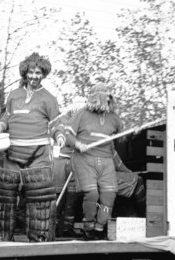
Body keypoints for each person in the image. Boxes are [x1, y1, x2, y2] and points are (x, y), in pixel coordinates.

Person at [0, 52, 62, 242]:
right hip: (12, 153)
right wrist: (0, 126)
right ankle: (3, 236)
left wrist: (60, 135)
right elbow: (7, 116)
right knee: (4, 196)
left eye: (39, 72)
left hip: (37, 154)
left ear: (43, 74)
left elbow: (56, 124)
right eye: (31, 72)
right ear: (25, 72)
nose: (34, 76)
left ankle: (40, 237)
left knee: (40, 199)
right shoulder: (14, 96)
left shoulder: (49, 99)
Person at [54, 83, 123, 240]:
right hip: (84, 159)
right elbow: (67, 134)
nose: (102, 101)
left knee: (109, 194)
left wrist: (134, 132)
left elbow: (122, 135)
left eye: (105, 98)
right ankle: (88, 227)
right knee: (91, 193)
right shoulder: (81, 113)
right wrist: (78, 144)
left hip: (106, 160)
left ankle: (99, 227)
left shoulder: (114, 117)